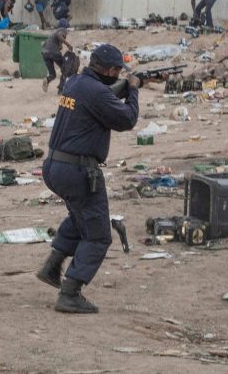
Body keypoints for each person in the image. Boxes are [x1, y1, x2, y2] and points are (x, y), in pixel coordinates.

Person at [38, 44, 140, 314]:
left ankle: (52, 266)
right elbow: (127, 119)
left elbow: (101, 103)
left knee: (80, 217)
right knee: (97, 234)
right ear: (108, 70)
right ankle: (70, 292)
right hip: (77, 171)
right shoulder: (96, 91)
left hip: (55, 166)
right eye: (117, 70)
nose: (117, 74)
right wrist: (134, 91)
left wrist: (124, 88)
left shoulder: (75, 83)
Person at [42, 19, 73, 94]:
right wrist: (68, 45)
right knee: (65, 69)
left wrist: (59, 46)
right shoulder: (62, 30)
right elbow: (59, 36)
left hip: (45, 53)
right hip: (54, 53)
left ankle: (47, 79)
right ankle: (61, 90)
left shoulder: (53, 32)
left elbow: (44, 44)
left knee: (53, 74)